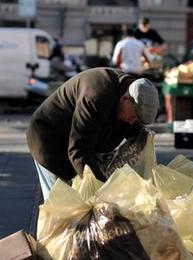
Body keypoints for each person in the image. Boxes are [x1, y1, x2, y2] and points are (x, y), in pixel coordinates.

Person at [26, 67, 159, 200]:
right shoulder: (96, 96)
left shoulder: (127, 92)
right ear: (124, 99)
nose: (133, 122)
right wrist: (104, 189)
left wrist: (143, 138)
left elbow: (132, 125)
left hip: (77, 143)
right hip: (49, 140)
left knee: (82, 204)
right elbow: (79, 151)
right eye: (134, 116)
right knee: (63, 206)